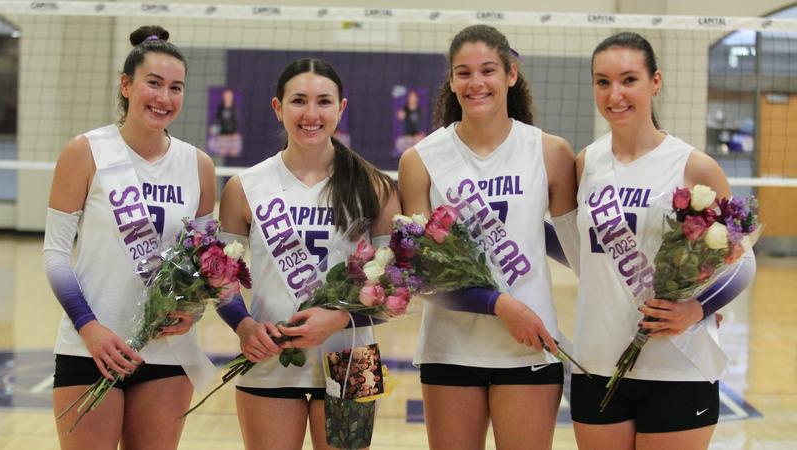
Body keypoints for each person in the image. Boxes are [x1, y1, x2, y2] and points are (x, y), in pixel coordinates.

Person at [570, 32, 757, 450]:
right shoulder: (586, 163)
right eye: (603, 81)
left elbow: (742, 262)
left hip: (679, 363)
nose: (615, 94)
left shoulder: (693, 165)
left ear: (655, 81)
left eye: (628, 79)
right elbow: (570, 244)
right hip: (598, 359)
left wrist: (698, 308)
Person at [398, 24, 577, 450]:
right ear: (452, 80)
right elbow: (422, 271)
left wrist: (664, 294)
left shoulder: (550, 152)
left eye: (488, 71)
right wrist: (500, 305)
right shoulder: (420, 159)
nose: (476, 83)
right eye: (464, 72)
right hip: (450, 346)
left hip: (530, 345)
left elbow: (579, 249)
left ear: (511, 74)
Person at [44, 25, 216, 450]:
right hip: (93, 348)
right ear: (126, 84)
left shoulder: (198, 165)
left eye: (176, 88)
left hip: (168, 353)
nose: (164, 98)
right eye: (153, 83)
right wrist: (89, 328)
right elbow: (55, 255)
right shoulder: (85, 152)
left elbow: (206, 263)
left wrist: (194, 312)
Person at [215, 57, 400, 450]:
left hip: (354, 358)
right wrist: (243, 326)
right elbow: (221, 278)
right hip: (268, 356)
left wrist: (337, 318)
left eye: (324, 102)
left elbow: (395, 287)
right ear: (277, 107)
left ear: (341, 108)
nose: (311, 114)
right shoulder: (244, 187)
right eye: (298, 101)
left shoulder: (375, 186)